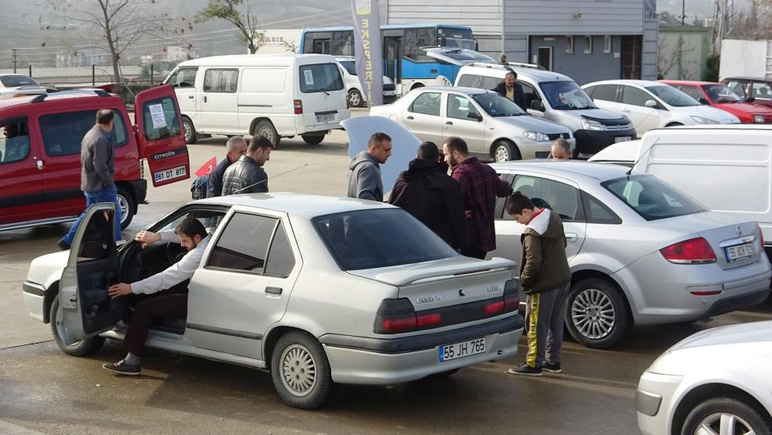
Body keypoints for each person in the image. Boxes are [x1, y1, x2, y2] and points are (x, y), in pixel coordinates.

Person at [102, 217, 209, 375]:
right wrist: (157, 237)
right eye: (181, 240)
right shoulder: (209, 236)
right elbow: (177, 236)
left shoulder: (197, 255)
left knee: (144, 308)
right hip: (201, 291)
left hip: (195, 298)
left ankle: (132, 362)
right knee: (157, 292)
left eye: (185, 241)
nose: (181, 244)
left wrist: (130, 288)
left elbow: (165, 278)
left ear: (197, 238)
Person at [504, 192, 571, 377]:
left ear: (526, 211)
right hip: (562, 279)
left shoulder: (532, 233)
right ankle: (553, 361)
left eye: (517, 217)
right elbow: (563, 244)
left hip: (542, 286)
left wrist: (524, 281)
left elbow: (533, 263)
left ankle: (533, 364)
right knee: (555, 323)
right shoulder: (553, 217)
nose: (518, 222)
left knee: (535, 324)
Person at [58, 109, 121, 250]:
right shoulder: (100, 139)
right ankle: (117, 245)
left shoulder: (90, 134)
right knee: (115, 213)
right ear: (110, 123)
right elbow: (100, 165)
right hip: (101, 185)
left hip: (89, 183)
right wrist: (109, 181)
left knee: (88, 214)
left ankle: (68, 240)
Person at [388, 142, 469, 251]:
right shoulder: (447, 183)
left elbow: (392, 208)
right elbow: (456, 216)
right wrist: (462, 243)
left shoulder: (404, 180)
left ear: (417, 156)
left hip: (406, 242)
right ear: (438, 158)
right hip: (438, 245)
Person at [443, 137, 510, 259]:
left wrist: (459, 213)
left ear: (455, 153)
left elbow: (451, 204)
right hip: (485, 237)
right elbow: (504, 190)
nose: (444, 159)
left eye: (446, 154)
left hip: (467, 237)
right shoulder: (487, 169)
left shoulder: (460, 174)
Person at [347, 132, 392, 202]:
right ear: (374, 148)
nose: (389, 154)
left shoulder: (358, 164)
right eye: (386, 150)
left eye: (390, 150)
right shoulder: (369, 168)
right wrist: (380, 206)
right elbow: (364, 197)